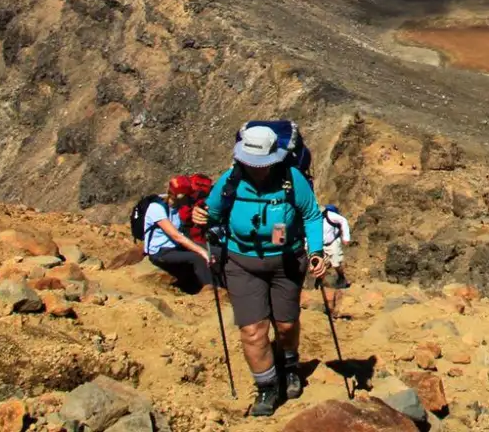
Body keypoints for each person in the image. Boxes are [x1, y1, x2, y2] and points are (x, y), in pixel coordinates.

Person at [194, 124, 327, 417]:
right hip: (241, 263)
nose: (257, 169)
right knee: (253, 331)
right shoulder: (230, 181)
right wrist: (199, 214)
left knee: (286, 325)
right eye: (252, 163)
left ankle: (289, 365)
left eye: (262, 164)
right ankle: (267, 387)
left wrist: (316, 252)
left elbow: (312, 215)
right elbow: (211, 213)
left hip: (287, 261)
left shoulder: (293, 180)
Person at [142, 178, 212, 294]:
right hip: (160, 252)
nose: (190, 197)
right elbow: (176, 236)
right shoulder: (157, 208)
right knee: (199, 257)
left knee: (213, 251)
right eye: (188, 195)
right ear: (179, 196)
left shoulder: (177, 207)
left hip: (174, 247)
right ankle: (209, 292)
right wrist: (201, 251)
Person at [321, 203, 352, 314]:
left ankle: (341, 277)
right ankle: (323, 284)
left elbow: (343, 221)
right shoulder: (313, 217)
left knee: (336, 264)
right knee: (321, 265)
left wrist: (346, 237)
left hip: (333, 243)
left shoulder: (330, 215)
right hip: (321, 245)